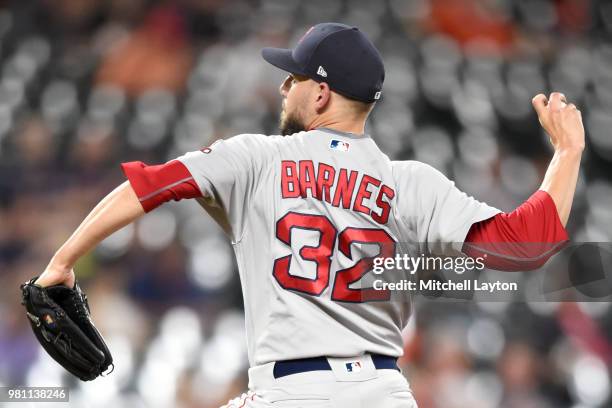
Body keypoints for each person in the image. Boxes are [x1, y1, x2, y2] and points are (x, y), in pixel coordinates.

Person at [34, 23, 584, 407]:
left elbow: (146, 187)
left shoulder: (255, 156)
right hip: (387, 393)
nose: (284, 86)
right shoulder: (411, 182)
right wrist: (567, 154)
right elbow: (527, 243)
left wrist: (60, 263)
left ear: (321, 94)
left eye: (294, 79)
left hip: (292, 390)